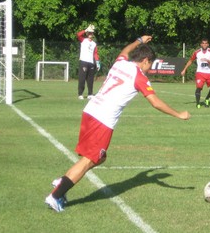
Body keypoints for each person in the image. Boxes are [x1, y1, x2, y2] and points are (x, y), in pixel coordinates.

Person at [45, 35, 190, 212]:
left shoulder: (120, 62)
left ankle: (63, 181)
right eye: (150, 64)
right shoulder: (139, 77)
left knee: (99, 157)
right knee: (89, 160)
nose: (150, 68)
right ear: (145, 60)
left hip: (90, 111)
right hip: (103, 119)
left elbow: (124, 51)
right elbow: (156, 102)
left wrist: (139, 40)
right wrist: (179, 114)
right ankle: (55, 196)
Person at [180, 38, 210, 108]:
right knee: (199, 87)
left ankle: (207, 99)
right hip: (200, 73)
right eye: (203, 43)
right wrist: (184, 69)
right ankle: (198, 103)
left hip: (209, 73)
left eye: (206, 43)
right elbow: (191, 60)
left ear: (208, 44)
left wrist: (207, 60)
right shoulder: (197, 52)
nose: (204, 44)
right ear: (201, 44)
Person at [77, 24, 100, 100]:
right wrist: (86, 30)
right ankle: (80, 94)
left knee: (90, 79)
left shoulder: (94, 44)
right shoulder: (83, 40)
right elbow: (78, 34)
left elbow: (95, 53)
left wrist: (97, 62)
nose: (91, 34)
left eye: (92, 33)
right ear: (87, 34)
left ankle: (90, 94)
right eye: (89, 33)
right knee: (82, 78)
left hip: (91, 62)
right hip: (83, 61)